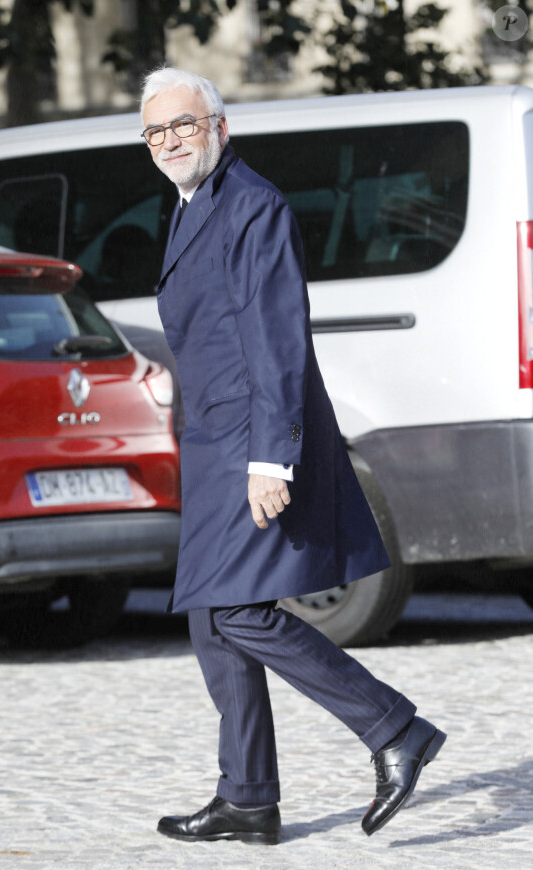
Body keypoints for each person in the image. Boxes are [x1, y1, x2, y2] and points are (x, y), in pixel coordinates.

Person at [140, 67, 446, 846]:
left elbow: (277, 340)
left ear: (219, 127)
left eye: (183, 124)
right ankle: (247, 796)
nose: (170, 139)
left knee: (239, 610)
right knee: (213, 619)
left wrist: (272, 459)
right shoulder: (187, 207)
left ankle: (393, 728)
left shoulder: (252, 205)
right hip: (212, 440)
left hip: (251, 440)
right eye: (156, 131)